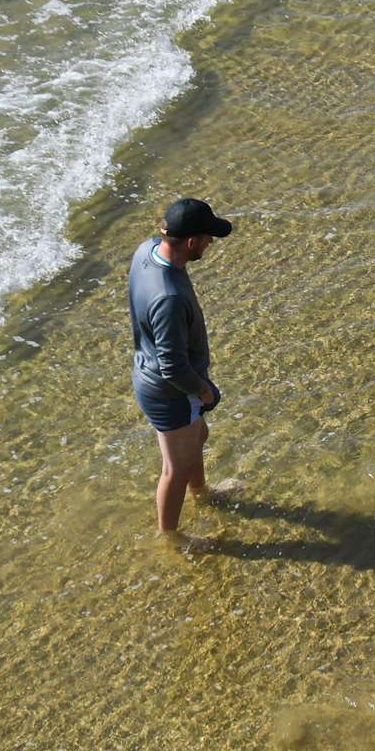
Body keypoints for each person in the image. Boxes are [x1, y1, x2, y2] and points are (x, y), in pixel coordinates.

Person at [128, 198, 239, 535]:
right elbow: (172, 367)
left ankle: (201, 492)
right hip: (169, 390)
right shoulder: (169, 297)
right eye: (208, 238)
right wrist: (204, 391)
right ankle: (170, 537)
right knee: (174, 469)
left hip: (163, 376)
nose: (210, 244)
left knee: (198, 436)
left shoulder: (146, 251)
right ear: (191, 242)